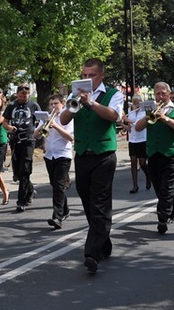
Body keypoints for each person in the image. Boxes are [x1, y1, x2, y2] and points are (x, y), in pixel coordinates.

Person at [59, 58, 124, 275]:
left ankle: (92, 253)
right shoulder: (74, 93)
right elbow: (64, 118)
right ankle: (103, 243)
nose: (87, 79)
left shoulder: (114, 94)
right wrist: (75, 102)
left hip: (104, 155)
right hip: (83, 154)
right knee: (87, 199)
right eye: (84, 75)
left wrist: (92, 103)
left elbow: (113, 116)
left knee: (100, 203)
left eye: (92, 75)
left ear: (101, 75)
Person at [134, 82, 174, 234]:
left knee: (167, 187)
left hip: (172, 154)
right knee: (159, 187)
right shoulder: (149, 109)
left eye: (163, 93)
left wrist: (164, 118)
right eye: (158, 94)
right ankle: (172, 211)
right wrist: (149, 116)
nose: (160, 96)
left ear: (169, 94)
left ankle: (162, 218)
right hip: (154, 154)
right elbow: (137, 128)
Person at [33, 94, 74, 230]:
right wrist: (43, 127)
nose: (53, 107)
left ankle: (57, 217)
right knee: (56, 185)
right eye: (51, 104)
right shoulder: (47, 117)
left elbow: (70, 137)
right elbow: (36, 135)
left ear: (63, 104)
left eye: (56, 104)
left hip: (63, 155)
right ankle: (65, 210)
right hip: (50, 156)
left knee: (58, 185)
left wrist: (55, 126)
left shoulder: (66, 118)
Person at [3, 83, 41, 212]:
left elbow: (42, 121)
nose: (22, 98)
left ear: (28, 94)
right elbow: (4, 121)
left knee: (25, 170)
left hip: (28, 140)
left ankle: (21, 201)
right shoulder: (11, 105)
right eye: (20, 95)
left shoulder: (33, 105)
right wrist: (8, 128)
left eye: (25, 95)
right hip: (15, 140)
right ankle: (29, 190)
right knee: (18, 173)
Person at [122, 94, 150, 194]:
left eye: (138, 102)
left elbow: (139, 124)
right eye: (135, 103)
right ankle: (135, 185)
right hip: (133, 140)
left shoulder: (145, 112)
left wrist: (128, 120)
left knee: (142, 163)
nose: (137, 104)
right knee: (133, 162)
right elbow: (129, 129)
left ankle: (148, 176)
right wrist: (121, 123)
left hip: (142, 139)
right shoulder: (130, 112)